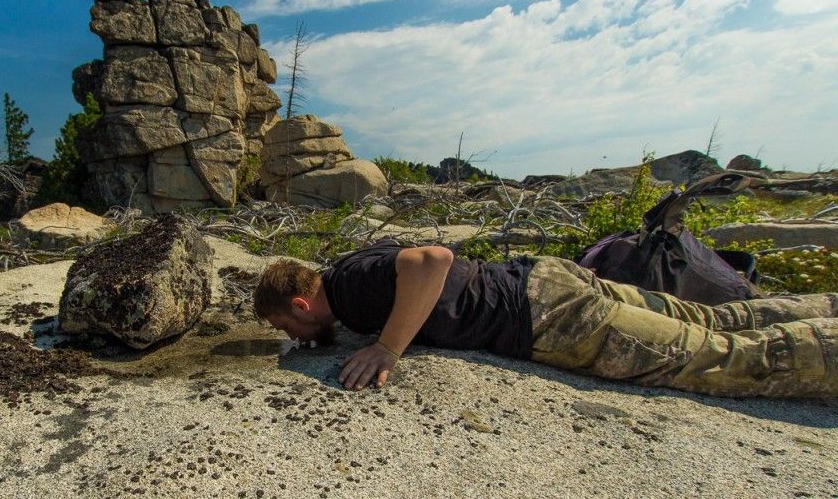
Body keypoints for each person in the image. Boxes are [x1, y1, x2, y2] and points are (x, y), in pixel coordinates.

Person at [253, 239, 838, 397]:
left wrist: (387, 349)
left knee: (720, 360)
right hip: (544, 280)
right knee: (709, 319)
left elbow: (433, 260)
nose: (295, 339)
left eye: (288, 328)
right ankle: (823, 308)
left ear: (300, 305)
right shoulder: (347, 267)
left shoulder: (350, 289)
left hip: (549, 317)